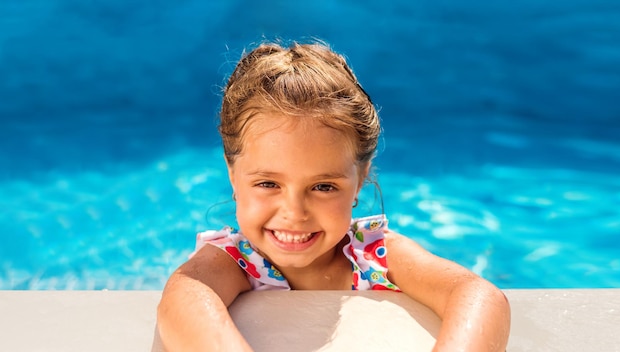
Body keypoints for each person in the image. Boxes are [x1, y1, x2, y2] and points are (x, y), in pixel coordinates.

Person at [157, 40, 511, 351]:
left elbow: (477, 296)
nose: (294, 212)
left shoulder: (374, 254)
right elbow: (184, 298)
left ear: (360, 179)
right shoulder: (236, 259)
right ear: (232, 173)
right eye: (268, 184)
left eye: (323, 187)